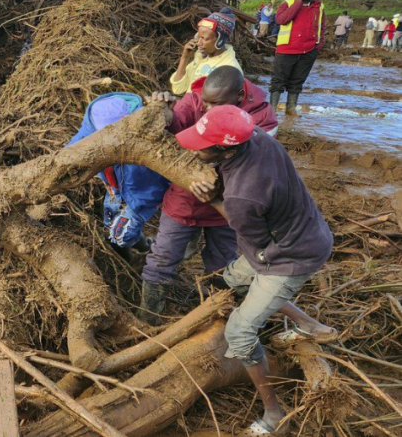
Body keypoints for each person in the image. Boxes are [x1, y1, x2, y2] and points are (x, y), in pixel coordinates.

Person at [177, 105, 337, 436]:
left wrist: (211, 200)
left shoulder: (241, 197)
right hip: (307, 230)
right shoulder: (259, 137)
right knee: (234, 280)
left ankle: (273, 414)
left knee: (239, 330)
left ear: (224, 148)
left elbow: (254, 236)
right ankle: (314, 328)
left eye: (202, 143)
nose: (194, 146)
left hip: (289, 255)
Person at [140, 67, 278, 324]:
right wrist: (163, 111)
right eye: (206, 101)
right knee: (162, 259)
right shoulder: (195, 99)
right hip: (185, 199)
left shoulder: (261, 116)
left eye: (216, 104)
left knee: (223, 265)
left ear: (238, 96)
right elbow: (176, 122)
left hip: (228, 208)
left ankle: (216, 318)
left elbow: (257, 165)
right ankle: (149, 320)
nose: (208, 107)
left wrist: (216, 184)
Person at [68, 93, 169, 261]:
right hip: (115, 189)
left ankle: (151, 252)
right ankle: (141, 246)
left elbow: (154, 183)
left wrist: (137, 207)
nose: (105, 141)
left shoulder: (143, 136)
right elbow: (73, 148)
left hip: (140, 195)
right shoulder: (93, 122)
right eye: (101, 135)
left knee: (120, 235)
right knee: (109, 228)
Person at [271, 0, 326, 115]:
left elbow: (322, 27)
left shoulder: (319, 7)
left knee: (297, 81)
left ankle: (291, 108)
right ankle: (272, 110)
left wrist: (317, 47)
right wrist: (297, 3)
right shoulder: (288, 3)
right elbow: (282, 20)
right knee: (278, 81)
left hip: (308, 50)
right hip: (287, 49)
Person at [169, 7, 241, 95]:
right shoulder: (200, 57)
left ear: (220, 40)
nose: (199, 43)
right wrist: (185, 58)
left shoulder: (230, 68)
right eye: (198, 37)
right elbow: (178, 89)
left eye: (204, 38)